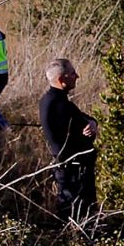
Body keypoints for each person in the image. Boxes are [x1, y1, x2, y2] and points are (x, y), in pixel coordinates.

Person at [40, 58, 100, 220]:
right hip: (72, 170)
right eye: (72, 74)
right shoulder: (56, 104)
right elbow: (61, 140)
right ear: (62, 80)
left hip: (73, 168)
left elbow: (82, 118)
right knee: (75, 213)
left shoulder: (57, 101)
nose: (77, 76)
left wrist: (92, 123)